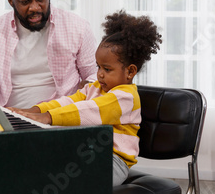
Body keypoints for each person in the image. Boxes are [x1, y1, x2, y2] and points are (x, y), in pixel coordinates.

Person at [10, 10, 162, 186]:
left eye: (107, 69)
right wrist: (34, 110)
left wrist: (48, 117)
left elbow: (89, 110)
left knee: (67, 181)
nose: (99, 74)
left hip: (112, 162)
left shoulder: (125, 97)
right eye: (98, 67)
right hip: (88, 153)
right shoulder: (95, 87)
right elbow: (69, 101)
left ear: (130, 71)